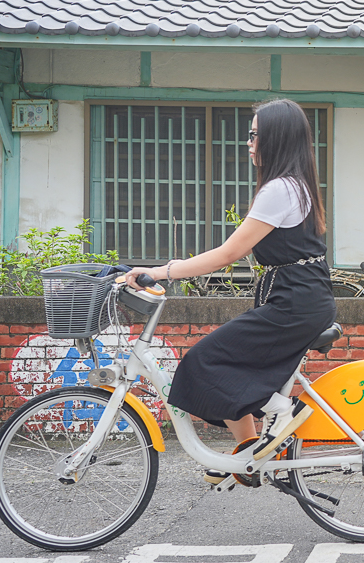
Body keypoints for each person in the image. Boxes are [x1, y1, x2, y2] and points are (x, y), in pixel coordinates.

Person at [125, 98, 336, 472]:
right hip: (299, 298)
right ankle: (250, 452)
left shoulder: (280, 189)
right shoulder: (295, 185)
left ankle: (281, 412)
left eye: (255, 135)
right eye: (249, 135)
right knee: (226, 362)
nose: (250, 143)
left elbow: (228, 254)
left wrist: (161, 272)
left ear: (277, 138)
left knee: (204, 360)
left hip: (294, 302)